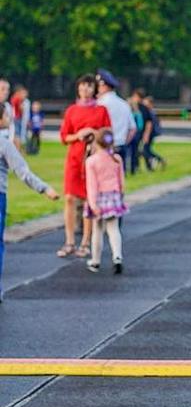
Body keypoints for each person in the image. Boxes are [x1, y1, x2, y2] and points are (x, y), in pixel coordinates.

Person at [0, 106, 59, 302]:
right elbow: (22, 172)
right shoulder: (5, 144)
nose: (10, 118)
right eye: (7, 115)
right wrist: (44, 188)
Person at [58, 74, 111, 259]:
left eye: (89, 87)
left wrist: (94, 134)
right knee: (70, 198)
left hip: (93, 159)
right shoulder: (72, 110)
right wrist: (78, 135)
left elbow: (108, 135)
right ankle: (69, 240)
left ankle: (86, 242)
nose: (85, 90)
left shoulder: (101, 110)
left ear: (94, 89)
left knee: (90, 200)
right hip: (75, 158)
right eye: (82, 87)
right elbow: (64, 136)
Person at [85, 128, 128, 274]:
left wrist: (92, 203)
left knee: (97, 230)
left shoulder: (91, 161)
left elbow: (92, 184)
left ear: (96, 143)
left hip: (99, 197)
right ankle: (117, 256)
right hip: (114, 196)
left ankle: (95, 261)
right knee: (113, 229)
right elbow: (121, 181)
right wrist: (121, 195)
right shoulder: (116, 159)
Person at [95, 69, 137, 170]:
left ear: (104, 86)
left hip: (103, 147)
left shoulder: (99, 104)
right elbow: (132, 129)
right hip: (120, 146)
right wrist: (124, 142)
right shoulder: (124, 104)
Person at [140, 96, 166, 170]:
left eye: (146, 104)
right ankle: (150, 167)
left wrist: (146, 135)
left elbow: (150, 125)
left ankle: (159, 160)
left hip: (149, 134)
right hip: (149, 134)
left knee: (145, 151)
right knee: (146, 150)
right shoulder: (150, 112)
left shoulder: (151, 113)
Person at [127, 89, 148, 175]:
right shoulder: (127, 108)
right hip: (130, 133)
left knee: (134, 152)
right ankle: (131, 168)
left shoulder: (140, 110)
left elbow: (140, 125)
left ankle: (133, 168)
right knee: (130, 152)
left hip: (136, 134)